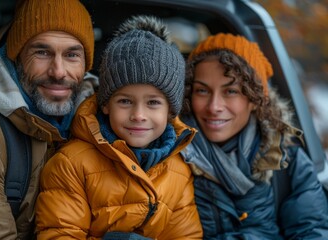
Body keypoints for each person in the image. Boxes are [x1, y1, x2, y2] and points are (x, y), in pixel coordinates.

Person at [35, 15, 203, 239]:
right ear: (106, 105)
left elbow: (186, 235)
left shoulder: (178, 169)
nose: (139, 115)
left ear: (171, 112)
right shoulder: (71, 164)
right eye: (125, 101)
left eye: (153, 103)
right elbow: (59, 234)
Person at [0, 0, 96, 239]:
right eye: (42, 52)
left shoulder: (108, 122)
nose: (58, 71)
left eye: (72, 55)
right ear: (16, 57)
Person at [180, 33, 328, 239]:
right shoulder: (169, 157)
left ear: (255, 99)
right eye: (202, 91)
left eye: (230, 91)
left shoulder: (287, 160)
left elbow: (311, 231)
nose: (214, 107)